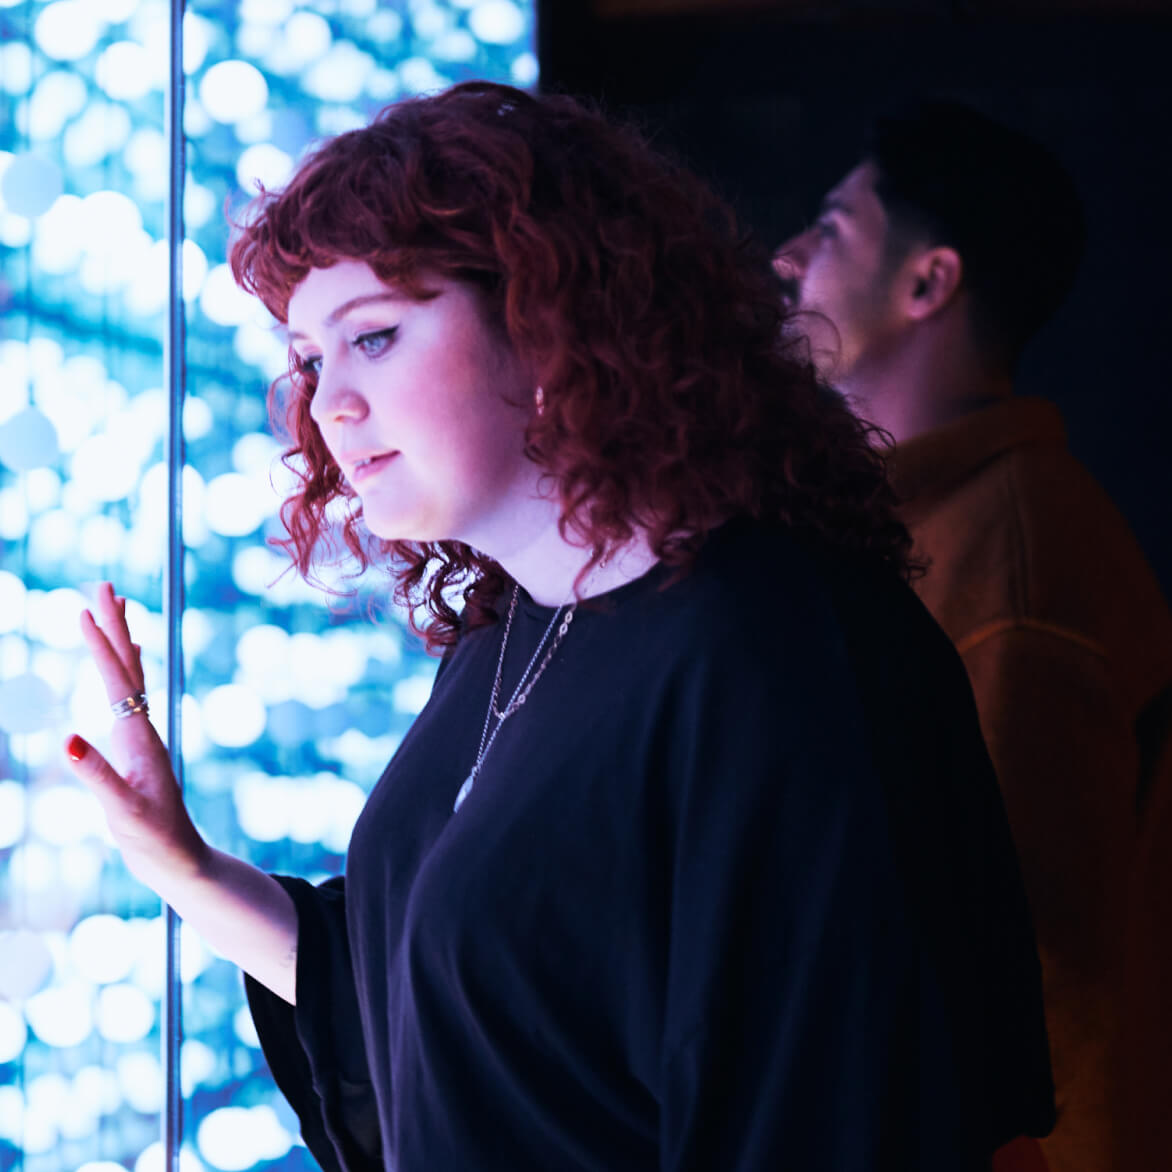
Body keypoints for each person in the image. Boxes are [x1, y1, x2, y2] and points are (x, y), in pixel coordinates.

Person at [65, 83, 1056, 1171]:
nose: (326, 404)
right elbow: (440, 1012)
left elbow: (832, 1109)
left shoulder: (784, 655)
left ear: (547, 320)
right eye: (310, 359)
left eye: (375, 336)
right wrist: (186, 865)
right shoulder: (511, 633)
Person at [774, 100, 1172, 1172]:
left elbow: (1038, 971)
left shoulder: (1018, 560)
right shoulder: (881, 529)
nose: (784, 258)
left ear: (926, 282)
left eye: (830, 226)